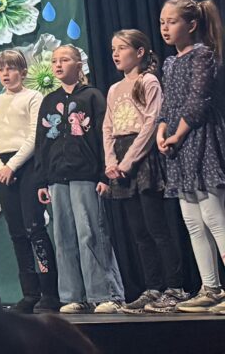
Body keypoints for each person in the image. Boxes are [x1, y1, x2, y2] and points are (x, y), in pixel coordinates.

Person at [35, 44, 124, 313]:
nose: (58, 65)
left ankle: (106, 293)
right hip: (57, 178)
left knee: (90, 233)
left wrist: (104, 175)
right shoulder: (49, 101)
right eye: (54, 61)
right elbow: (42, 142)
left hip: (86, 174)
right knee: (64, 237)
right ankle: (74, 295)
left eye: (64, 60)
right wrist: (42, 180)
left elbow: (103, 136)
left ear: (79, 65)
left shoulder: (92, 96)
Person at [104, 29, 188, 313]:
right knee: (138, 231)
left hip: (141, 157)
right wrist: (110, 161)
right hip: (120, 159)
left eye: (122, 48)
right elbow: (107, 127)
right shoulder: (114, 89)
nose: (115, 54)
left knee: (156, 228)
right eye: (113, 49)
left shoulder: (148, 81)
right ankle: (153, 288)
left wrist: (128, 161)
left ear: (139, 52)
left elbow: (151, 123)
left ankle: (174, 287)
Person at [155, 0, 225, 313]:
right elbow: (168, 105)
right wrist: (162, 131)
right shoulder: (170, 63)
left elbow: (199, 101)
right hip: (179, 146)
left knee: (214, 216)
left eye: (172, 22)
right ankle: (211, 288)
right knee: (193, 221)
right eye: (162, 22)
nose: (165, 28)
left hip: (200, 139)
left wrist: (178, 133)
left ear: (191, 24)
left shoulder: (203, 55)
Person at [0, 49, 59, 313]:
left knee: (34, 229)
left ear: (23, 72)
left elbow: (34, 136)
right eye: (1, 69)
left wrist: (12, 165)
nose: (6, 74)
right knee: (16, 233)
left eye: (11, 68)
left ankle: (49, 292)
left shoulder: (33, 97)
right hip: (3, 169)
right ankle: (29, 292)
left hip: (27, 166)